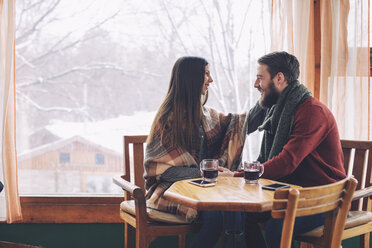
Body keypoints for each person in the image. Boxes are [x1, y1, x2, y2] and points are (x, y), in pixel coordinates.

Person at [221, 51, 347, 248]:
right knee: (240, 215)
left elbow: (287, 162)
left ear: (279, 78)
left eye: (260, 77)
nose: (255, 84)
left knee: (277, 227)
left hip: (324, 200)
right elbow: (244, 123)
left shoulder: (312, 112)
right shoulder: (275, 108)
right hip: (292, 195)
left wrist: (237, 175)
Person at [144, 56, 265, 248]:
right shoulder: (167, 120)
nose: (211, 79)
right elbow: (164, 172)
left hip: (205, 188)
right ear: (191, 79)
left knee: (234, 208)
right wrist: (204, 173)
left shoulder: (205, 114)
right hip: (172, 190)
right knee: (216, 217)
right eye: (206, 73)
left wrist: (265, 99)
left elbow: (239, 125)